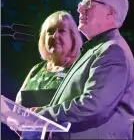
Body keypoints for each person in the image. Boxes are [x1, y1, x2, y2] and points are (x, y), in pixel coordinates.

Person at [37, 0, 134, 139]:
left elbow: (93, 105)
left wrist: (43, 115)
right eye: (82, 2)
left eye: (88, 3)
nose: (80, 8)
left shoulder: (113, 51)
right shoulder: (96, 49)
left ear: (110, 12)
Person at [14, 11, 83, 139]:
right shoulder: (36, 70)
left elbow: (81, 109)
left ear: (73, 37)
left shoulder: (79, 69)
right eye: (50, 31)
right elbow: (17, 105)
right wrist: (17, 122)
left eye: (61, 31)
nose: (54, 35)